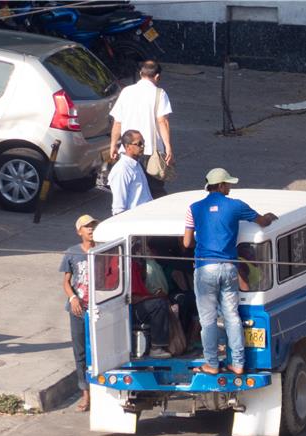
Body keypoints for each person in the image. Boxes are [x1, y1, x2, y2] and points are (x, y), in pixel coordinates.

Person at [182, 168, 278, 375]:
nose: (230, 188)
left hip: (205, 268)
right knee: (232, 316)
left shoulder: (194, 208)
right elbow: (262, 221)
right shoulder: (236, 206)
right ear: (222, 185)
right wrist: (270, 217)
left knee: (207, 319)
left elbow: (187, 242)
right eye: (228, 185)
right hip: (229, 268)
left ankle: (212, 364)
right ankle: (237, 363)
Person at [108, 60, 175, 198]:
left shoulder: (126, 92)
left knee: (131, 191)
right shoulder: (159, 94)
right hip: (150, 152)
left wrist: (113, 145)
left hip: (128, 150)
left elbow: (117, 122)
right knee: (154, 191)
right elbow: (162, 121)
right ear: (157, 77)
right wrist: (168, 146)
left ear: (140, 74)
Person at [59, 214, 99, 412]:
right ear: (79, 231)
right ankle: (85, 394)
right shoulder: (72, 253)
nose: (90, 230)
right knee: (81, 351)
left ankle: (100, 393)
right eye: (86, 227)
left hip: (99, 308)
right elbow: (66, 282)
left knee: (99, 350)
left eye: (93, 226)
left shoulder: (103, 251)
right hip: (78, 309)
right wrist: (73, 298)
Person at [130, 242, 172, 359]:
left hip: (141, 305)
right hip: (131, 310)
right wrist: (154, 297)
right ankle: (156, 347)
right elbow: (133, 299)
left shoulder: (141, 267)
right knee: (159, 304)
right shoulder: (131, 268)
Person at [107, 130, 152, 215]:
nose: (142, 146)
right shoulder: (122, 170)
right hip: (135, 220)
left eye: (143, 143)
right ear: (128, 147)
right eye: (139, 144)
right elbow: (118, 208)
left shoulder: (136, 164)